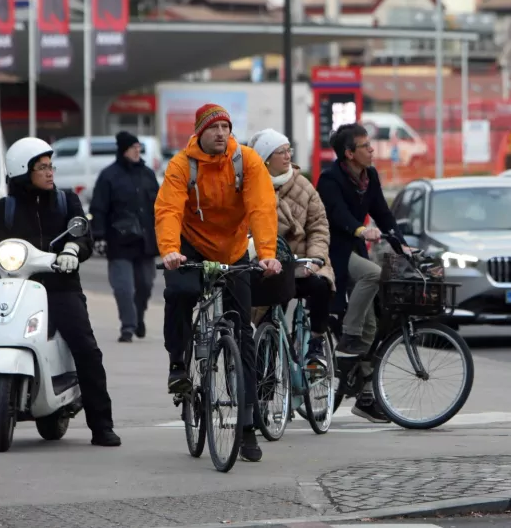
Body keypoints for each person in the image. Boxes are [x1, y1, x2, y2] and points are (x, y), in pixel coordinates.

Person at [0, 137, 120, 447]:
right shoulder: (5, 208)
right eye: (41, 167)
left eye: (50, 166)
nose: (49, 172)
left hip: (58, 286)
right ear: (22, 171)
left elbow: (82, 233)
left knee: (85, 347)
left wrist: (73, 248)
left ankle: (102, 425)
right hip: (13, 285)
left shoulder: (66, 201)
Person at [154, 103, 282, 463]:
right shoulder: (182, 164)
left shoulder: (248, 161)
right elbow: (168, 209)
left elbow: (261, 207)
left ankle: (247, 427)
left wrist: (267, 253)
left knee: (242, 339)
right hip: (189, 246)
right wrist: (169, 250)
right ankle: (178, 363)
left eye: (226, 126)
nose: (221, 133)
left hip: (234, 249)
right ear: (199, 132)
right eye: (214, 128)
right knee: (181, 292)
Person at [316, 123, 408, 423]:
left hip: (355, 246)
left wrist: (401, 245)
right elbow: (336, 213)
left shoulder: (371, 178)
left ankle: (366, 396)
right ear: (349, 153)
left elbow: (383, 212)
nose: (372, 149)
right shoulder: (330, 179)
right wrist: (359, 229)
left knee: (373, 327)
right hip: (334, 249)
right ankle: (348, 339)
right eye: (365, 146)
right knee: (371, 274)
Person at [247, 129, 335, 371]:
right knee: (268, 313)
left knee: (320, 286)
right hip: (270, 265)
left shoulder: (303, 185)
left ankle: (315, 345)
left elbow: (319, 226)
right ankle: (266, 374)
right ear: (265, 158)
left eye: (289, 151)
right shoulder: (250, 185)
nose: (287, 156)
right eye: (281, 152)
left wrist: (316, 259)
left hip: (304, 262)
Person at [89, 131, 160, 344]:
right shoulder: (108, 176)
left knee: (146, 285)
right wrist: (99, 235)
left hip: (145, 242)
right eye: (133, 147)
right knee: (123, 288)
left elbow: (159, 206)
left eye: (139, 147)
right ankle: (128, 326)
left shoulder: (147, 174)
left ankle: (138, 317)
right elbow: (98, 208)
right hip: (118, 243)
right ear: (123, 150)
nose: (137, 151)